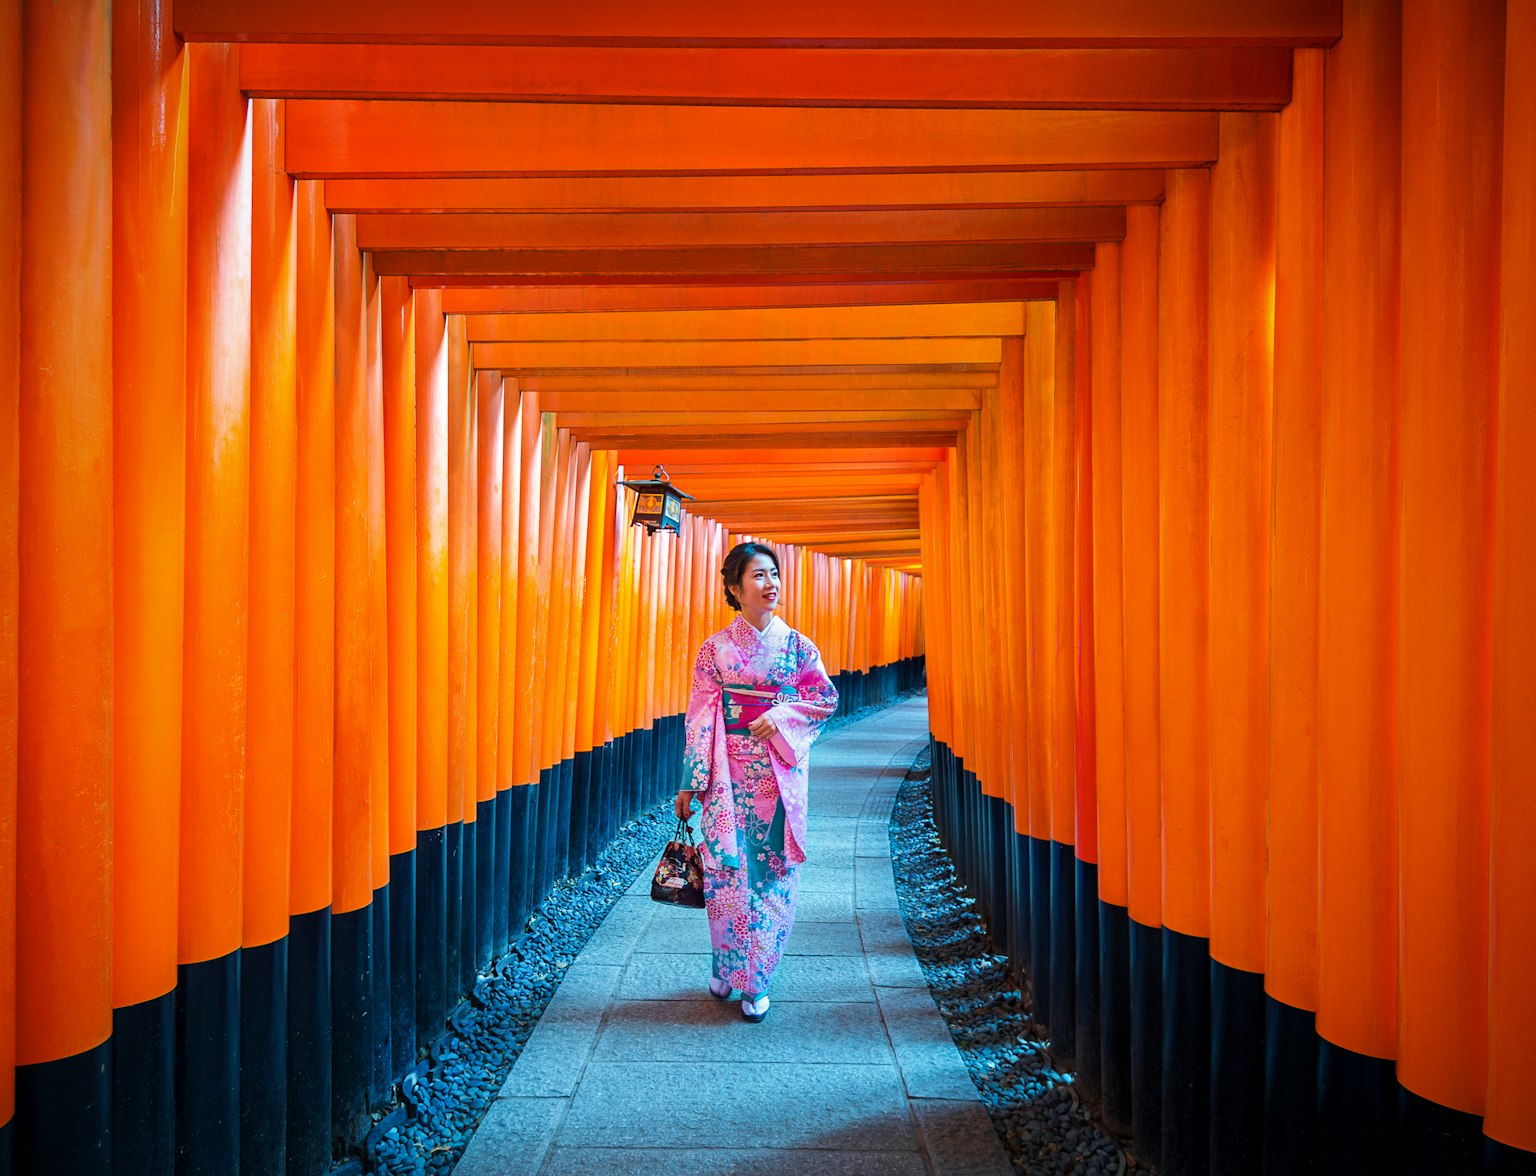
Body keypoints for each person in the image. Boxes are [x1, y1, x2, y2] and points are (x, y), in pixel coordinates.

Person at [675, 541, 839, 1023]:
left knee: (772, 875)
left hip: (777, 776)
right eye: (759, 576)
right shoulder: (715, 650)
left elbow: (823, 699)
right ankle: (727, 965)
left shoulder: (799, 647)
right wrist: (690, 784)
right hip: (728, 775)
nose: (771, 585)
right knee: (727, 871)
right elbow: (701, 717)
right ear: (734, 588)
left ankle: (758, 978)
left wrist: (782, 714)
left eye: (774, 575)